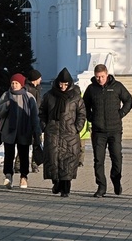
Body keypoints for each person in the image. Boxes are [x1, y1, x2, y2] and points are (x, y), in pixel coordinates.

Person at [83, 64, 132, 198]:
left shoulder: (117, 87)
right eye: (97, 77)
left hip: (115, 130)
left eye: (102, 76)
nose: (100, 79)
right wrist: (91, 117)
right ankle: (101, 186)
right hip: (98, 131)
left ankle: (116, 180)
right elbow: (84, 105)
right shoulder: (91, 89)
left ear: (107, 74)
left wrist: (121, 113)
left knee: (117, 158)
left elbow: (129, 100)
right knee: (98, 160)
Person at [39, 67, 86, 197]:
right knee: (53, 160)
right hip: (53, 132)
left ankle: (66, 188)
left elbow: (81, 114)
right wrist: (44, 125)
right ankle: (57, 183)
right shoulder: (49, 96)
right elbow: (42, 112)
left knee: (68, 161)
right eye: (61, 84)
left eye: (66, 84)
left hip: (69, 133)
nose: (63, 87)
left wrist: (77, 127)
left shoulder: (75, 97)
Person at [0, 73, 41, 189]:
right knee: (9, 155)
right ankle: (8, 176)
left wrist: (37, 131)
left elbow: (34, 116)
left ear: (21, 84)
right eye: (12, 83)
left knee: (24, 155)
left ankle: (24, 176)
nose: (14, 85)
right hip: (9, 131)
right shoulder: (6, 95)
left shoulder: (29, 97)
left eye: (16, 83)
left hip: (24, 131)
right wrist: (6, 105)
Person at [14, 69, 43, 174]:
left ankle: (34, 164)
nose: (41, 79)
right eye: (39, 78)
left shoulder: (37, 89)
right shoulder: (27, 90)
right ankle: (19, 165)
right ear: (35, 79)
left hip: (36, 119)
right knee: (25, 143)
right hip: (27, 120)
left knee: (35, 143)